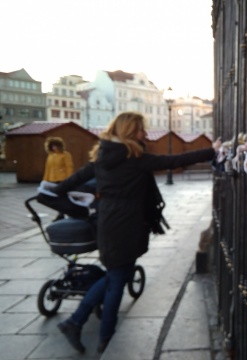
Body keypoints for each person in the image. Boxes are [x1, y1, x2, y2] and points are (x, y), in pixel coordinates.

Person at [53, 111, 221, 353]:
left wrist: (59, 195)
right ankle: (104, 337)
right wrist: (211, 150)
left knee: (114, 276)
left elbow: (68, 184)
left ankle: (75, 322)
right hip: (127, 225)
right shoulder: (134, 158)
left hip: (108, 223)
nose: (145, 133)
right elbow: (173, 161)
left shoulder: (101, 158)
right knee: (116, 281)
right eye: (141, 129)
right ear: (130, 132)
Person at [43, 137, 74, 220]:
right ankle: (61, 213)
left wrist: (69, 179)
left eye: (55, 146)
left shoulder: (65, 154)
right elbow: (47, 168)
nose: (54, 148)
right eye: (52, 146)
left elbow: (69, 167)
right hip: (52, 179)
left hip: (63, 179)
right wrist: (45, 180)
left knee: (63, 197)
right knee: (56, 197)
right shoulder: (50, 155)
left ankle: (64, 213)